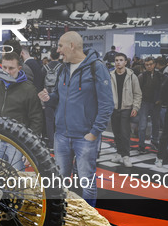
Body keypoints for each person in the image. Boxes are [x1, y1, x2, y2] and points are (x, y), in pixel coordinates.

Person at [38, 31, 113, 207]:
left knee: (87, 181)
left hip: (85, 137)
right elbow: (59, 96)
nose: (58, 50)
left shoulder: (97, 68)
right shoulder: (63, 68)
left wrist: (94, 133)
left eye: (60, 46)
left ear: (72, 45)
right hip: (62, 135)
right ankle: (62, 215)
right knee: (61, 181)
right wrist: (50, 98)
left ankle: (89, 220)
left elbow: (107, 104)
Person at [0, 52, 43, 170]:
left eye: (11, 68)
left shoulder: (29, 89)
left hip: (17, 143)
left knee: (17, 179)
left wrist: (31, 147)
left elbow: (36, 119)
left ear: (19, 68)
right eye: (4, 67)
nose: (7, 71)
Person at [109, 53, 142, 167]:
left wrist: (135, 107)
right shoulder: (110, 75)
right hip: (114, 108)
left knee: (125, 133)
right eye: (116, 60)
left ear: (125, 62)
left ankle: (126, 155)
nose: (118, 62)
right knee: (116, 133)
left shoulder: (132, 76)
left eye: (121, 60)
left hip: (126, 108)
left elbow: (137, 94)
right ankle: (119, 153)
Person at [137, 57, 163, 153]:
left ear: (154, 64)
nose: (149, 66)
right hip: (144, 102)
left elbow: (162, 89)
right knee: (142, 125)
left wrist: (160, 99)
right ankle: (141, 144)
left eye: (151, 64)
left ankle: (155, 140)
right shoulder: (142, 76)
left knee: (156, 124)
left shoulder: (160, 75)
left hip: (156, 103)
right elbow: (137, 90)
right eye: (147, 64)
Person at [42, 50, 63, 149]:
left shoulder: (44, 68)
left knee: (49, 120)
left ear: (50, 56)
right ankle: (59, 142)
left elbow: (40, 83)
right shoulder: (62, 67)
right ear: (59, 56)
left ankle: (51, 142)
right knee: (59, 119)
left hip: (47, 96)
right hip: (59, 96)